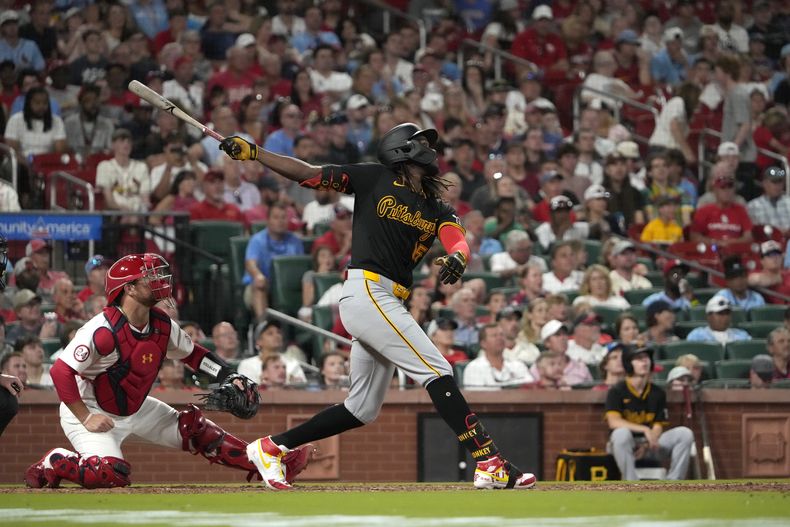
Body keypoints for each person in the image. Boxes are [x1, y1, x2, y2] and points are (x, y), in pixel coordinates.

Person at [219, 122, 537, 490]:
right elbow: (308, 174)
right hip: (368, 290)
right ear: (400, 149)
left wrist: (459, 258)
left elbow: (458, 241)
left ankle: (272, 447)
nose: (427, 147)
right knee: (436, 368)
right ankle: (488, 459)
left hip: (385, 300)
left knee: (361, 409)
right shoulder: (374, 177)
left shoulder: (437, 206)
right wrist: (256, 153)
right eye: (420, 141)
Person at [23, 253, 311, 489]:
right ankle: (56, 460)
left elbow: (196, 356)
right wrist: (85, 416)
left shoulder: (161, 324)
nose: (158, 280)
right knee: (110, 474)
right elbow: (62, 371)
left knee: (195, 429)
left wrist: (229, 375)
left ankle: (270, 465)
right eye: (148, 277)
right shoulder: (102, 329)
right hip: (90, 409)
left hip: (134, 407)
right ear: (129, 289)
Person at [605, 345, 695, 480]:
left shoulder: (657, 392)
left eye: (646, 358)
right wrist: (645, 430)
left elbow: (658, 425)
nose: (645, 362)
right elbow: (613, 422)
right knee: (621, 433)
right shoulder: (617, 391)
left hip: (651, 443)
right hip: (626, 445)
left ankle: (674, 483)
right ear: (628, 363)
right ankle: (631, 483)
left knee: (684, 433)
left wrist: (647, 445)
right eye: (639, 358)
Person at [237, 320, 307, 386]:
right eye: (270, 333)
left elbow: (302, 388)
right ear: (259, 341)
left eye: (279, 332)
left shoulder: (292, 363)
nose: (277, 336)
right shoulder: (247, 365)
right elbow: (246, 392)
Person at [463, 324, 533, 389]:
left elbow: (530, 388)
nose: (499, 338)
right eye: (494, 335)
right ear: (483, 343)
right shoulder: (474, 368)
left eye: (501, 335)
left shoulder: (518, 365)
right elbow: (475, 397)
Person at [687, 296, 751, 344]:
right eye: (720, 313)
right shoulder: (696, 336)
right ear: (708, 316)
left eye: (727, 313)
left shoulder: (742, 335)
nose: (725, 317)